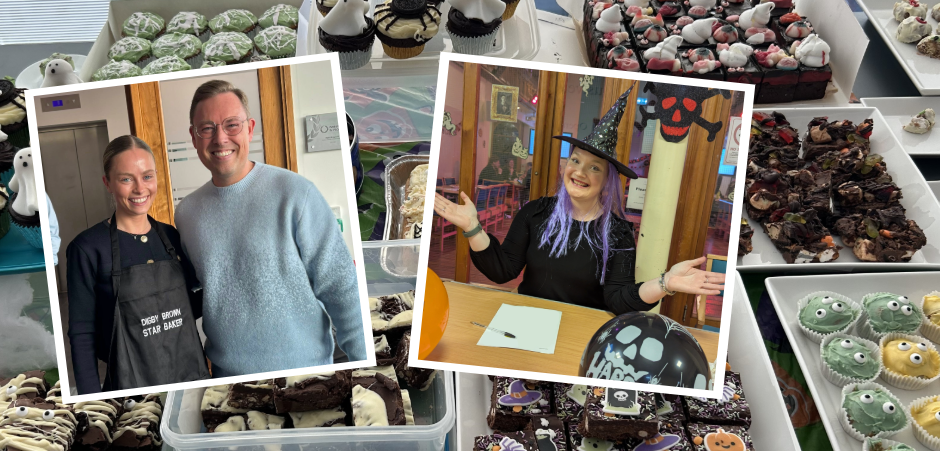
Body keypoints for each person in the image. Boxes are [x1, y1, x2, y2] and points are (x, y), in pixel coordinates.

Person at [432, 88, 725, 314]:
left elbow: (617, 299)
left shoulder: (617, 232)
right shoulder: (536, 212)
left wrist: (665, 284)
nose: (580, 172)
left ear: (607, 180)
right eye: (575, 160)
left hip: (582, 324)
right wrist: (473, 227)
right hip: (528, 318)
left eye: (595, 167)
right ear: (566, 165)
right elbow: (502, 270)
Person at [174, 79, 367, 377]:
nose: (220, 138)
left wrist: (368, 372)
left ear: (250, 129)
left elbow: (342, 287)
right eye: (207, 128)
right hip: (228, 381)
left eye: (231, 125)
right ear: (194, 136)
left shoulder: (296, 194)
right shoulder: (186, 213)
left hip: (308, 376)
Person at [66, 135, 210, 394]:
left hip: (191, 381)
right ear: (107, 183)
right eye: (126, 179)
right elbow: (82, 333)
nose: (140, 189)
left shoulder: (173, 237)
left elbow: (192, 306)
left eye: (147, 176)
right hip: (132, 392)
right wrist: (91, 403)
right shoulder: (87, 248)